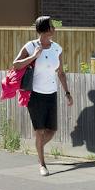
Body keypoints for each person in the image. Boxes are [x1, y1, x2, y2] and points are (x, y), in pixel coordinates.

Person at [12, 15, 72, 175]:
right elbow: (15, 65)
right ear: (45, 29)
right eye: (52, 26)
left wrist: (67, 92)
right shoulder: (30, 46)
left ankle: (39, 147)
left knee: (51, 130)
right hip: (35, 95)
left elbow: (61, 72)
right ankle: (42, 164)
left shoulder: (57, 48)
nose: (54, 29)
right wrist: (33, 56)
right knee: (39, 130)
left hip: (51, 93)